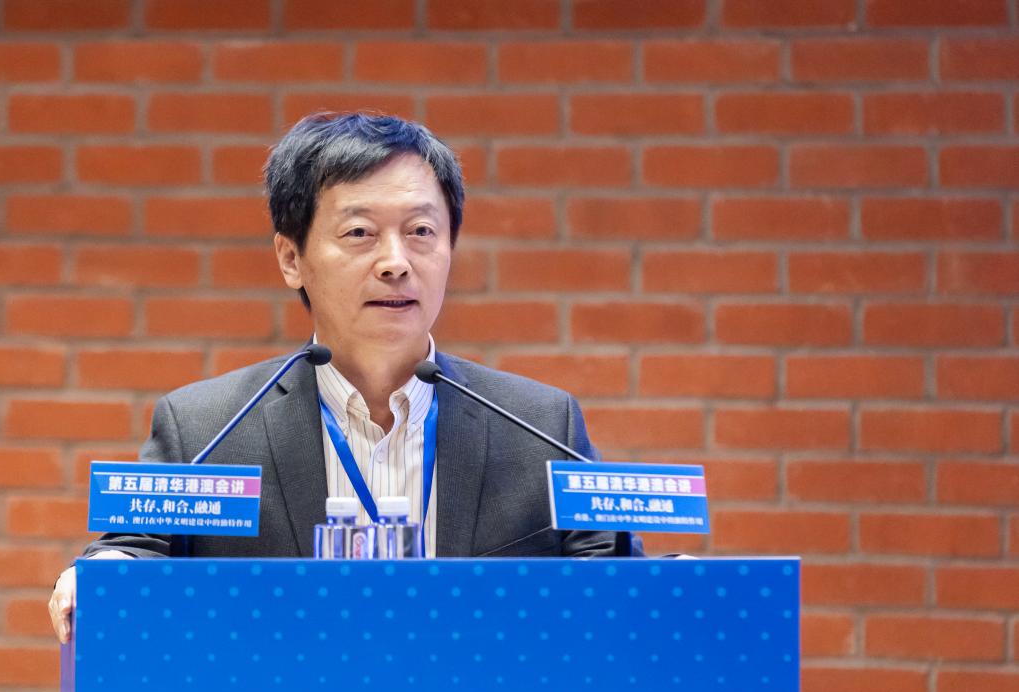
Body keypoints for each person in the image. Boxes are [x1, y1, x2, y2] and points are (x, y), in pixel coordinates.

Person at [48, 112, 642, 642]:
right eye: (360, 233)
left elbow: (611, 572)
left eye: (421, 232)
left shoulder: (541, 425)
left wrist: (665, 585)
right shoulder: (207, 427)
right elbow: (135, 551)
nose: (395, 262)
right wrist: (103, 575)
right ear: (291, 258)